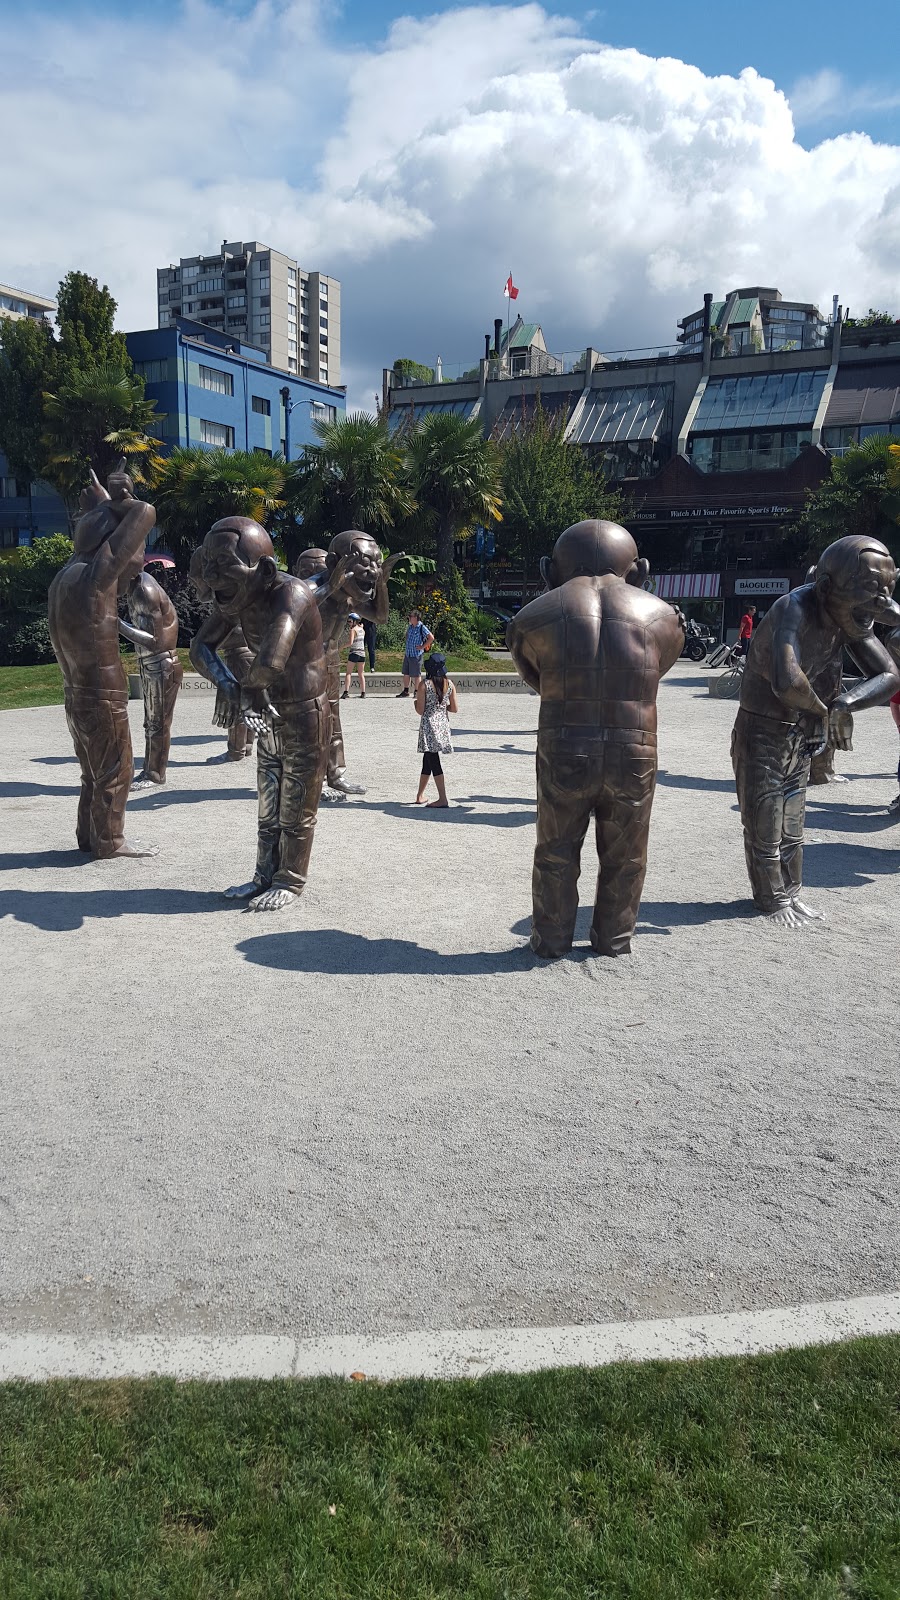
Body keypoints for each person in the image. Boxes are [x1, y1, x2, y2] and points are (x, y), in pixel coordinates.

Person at [507, 520, 683, 959]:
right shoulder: (665, 617)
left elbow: (539, 679)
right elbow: (656, 671)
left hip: (564, 743)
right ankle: (614, 940)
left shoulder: (530, 618)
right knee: (627, 854)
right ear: (640, 571)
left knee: (555, 850)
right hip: (635, 748)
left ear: (550, 570)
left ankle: (550, 940)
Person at [731, 535, 900, 928]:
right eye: (869, 595)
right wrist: (827, 712)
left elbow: (890, 674)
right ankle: (772, 899)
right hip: (763, 729)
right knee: (765, 817)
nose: (876, 608)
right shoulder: (794, 608)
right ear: (827, 587)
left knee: (794, 819)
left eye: (886, 594)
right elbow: (786, 680)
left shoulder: (848, 616)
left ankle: (791, 894)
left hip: (802, 727)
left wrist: (846, 704)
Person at [190, 517, 346, 912]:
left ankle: (290, 880)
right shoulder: (239, 596)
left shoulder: (289, 595)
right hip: (267, 710)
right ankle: (263, 874)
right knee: (269, 798)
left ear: (263, 571)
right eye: (208, 563)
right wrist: (228, 685)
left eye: (222, 565)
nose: (211, 575)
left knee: (296, 799)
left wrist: (242, 691)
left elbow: (272, 661)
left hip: (305, 713)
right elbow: (199, 648)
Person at [47, 460, 158, 859]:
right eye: (134, 552)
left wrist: (100, 506)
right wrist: (119, 500)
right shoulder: (97, 575)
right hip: (102, 691)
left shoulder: (65, 578)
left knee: (90, 773)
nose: (138, 561)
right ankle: (110, 841)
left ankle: (88, 835)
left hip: (74, 692)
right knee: (116, 768)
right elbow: (146, 513)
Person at [294, 534, 403, 798]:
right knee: (312, 723)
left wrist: (384, 584)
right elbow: (294, 607)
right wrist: (330, 586)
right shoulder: (311, 587)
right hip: (303, 663)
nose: (373, 572)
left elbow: (380, 616)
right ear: (335, 563)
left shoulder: (349, 593)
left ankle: (336, 774)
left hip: (330, 659)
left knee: (332, 721)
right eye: (365, 563)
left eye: (376, 564)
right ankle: (312, 782)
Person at [189, 548, 256, 765]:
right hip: (243, 656)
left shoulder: (233, 605)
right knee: (246, 701)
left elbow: (240, 632)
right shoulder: (233, 600)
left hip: (240, 656)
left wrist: (215, 639)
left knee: (236, 701)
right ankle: (244, 746)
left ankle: (236, 750)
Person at [118, 568, 183, 787]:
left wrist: (116, 624)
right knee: (152, 723)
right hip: (151, 664)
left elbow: (154, 640)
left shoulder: (144, 592)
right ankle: (150, 770)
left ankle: (155, 774)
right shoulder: (135, 587)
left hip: (161, 665)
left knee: (158, 723)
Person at [415, 653, 458, 806]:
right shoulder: (450, 684)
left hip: (428, 727)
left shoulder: (424, 685)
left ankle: (443, 798)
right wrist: (441, 706)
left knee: (433, 761)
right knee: (427, 760)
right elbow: (454, 708)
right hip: (442, 725)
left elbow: (420, 710)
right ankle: (420, 795)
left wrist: (416, 703)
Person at [397, 609, 434, 697]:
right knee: (406, 673)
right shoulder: (410, 626)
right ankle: (406, 691)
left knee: (417, 674)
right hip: (408, 653)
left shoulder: (422, 627)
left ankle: (417, 692)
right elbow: (407, 635)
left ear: (416, 618)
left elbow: (431, 638)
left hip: (416, 654)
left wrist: (422, 646)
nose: (409, 618)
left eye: (411, 616)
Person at [342, 613, 366, 698]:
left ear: (354, 621)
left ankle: (346, 692)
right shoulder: (362, 630)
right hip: (362, 653)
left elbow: (350, 643)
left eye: (350, 621)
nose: (349, 623)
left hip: (354, 652)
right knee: (361, 674)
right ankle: (363, 693)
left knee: (348, 673)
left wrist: (341, 647)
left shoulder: (353, 630)